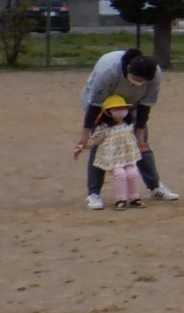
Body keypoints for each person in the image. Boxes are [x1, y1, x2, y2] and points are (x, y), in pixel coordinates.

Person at [75, 47, 176, 207]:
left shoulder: (154, 74)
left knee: (140, 145)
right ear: (128, 68)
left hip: (131, 104)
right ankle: (93, 194)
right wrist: (85, 134)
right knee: (100, 144)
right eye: (137, 78)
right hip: (103, 103)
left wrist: (140, 133)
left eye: (143, 81)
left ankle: (155, 187)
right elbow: (94, 104)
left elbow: (145, 105)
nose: (140, 83)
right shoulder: (109, 71)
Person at [77, 94, 145, 208]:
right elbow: (93, 141)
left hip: (128, 157)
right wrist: (81, 147)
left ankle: (135, 198)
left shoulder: (129, 125)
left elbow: (138, 135)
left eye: (122, 108)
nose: (120, 112)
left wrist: (141, 143)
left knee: (133, 173)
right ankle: (121, 199)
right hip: (113, 158)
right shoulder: (104, 128)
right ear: (108, 112)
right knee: (120, 174)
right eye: (116, 109)